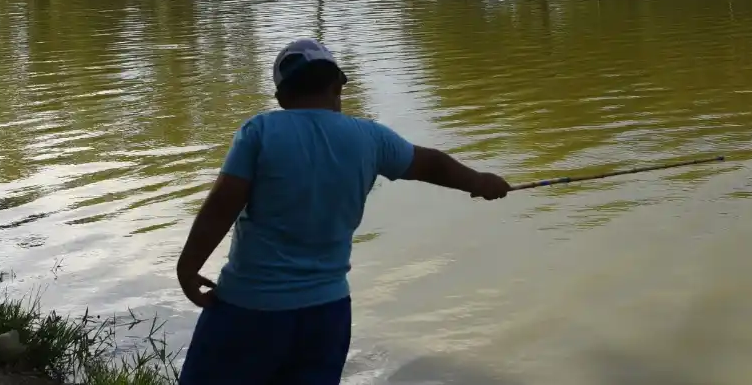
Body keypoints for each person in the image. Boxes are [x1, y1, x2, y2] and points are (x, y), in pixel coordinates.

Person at [175, 39, 510, 384]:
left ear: (281, 97)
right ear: (337, 85)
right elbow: (433, 165)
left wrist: (188, 267)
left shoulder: (260, 132)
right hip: (327, 313)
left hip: (249, 308)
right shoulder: (371, 138)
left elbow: (220, 208)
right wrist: (480, 182)